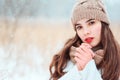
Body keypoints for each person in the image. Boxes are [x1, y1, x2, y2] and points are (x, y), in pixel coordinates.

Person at [49, 0, 120, 80]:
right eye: (79, 27)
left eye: (91, 23)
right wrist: (77, 70)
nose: (85, 32)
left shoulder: (117, 58)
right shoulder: (65, 56)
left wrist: (88, 67)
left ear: (103, 24)